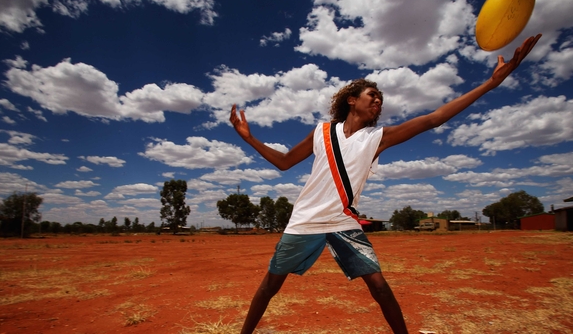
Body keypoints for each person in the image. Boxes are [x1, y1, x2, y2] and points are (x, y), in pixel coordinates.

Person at [229, 34, 542, 334]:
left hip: (342, 221)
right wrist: (250, 138)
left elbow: (435, 118)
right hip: (306, 220)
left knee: (378, 284)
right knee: (271, 284)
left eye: (380, 98)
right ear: (352, 101)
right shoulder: (321, 132)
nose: (378, 101)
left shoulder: (377, 138)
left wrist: (492, 83)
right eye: (372, 96)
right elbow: (284, 162)